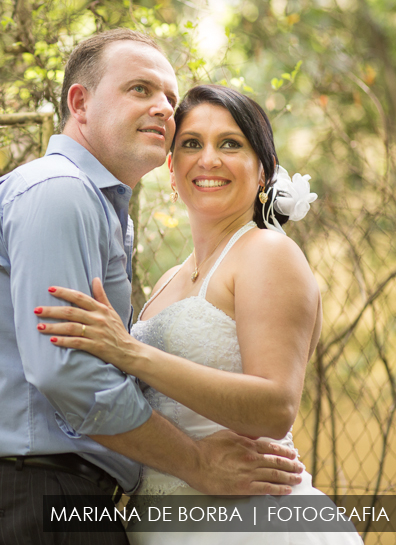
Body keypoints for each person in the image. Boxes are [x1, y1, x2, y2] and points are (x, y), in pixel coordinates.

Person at [0, 31, 305, 545]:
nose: (162, 108)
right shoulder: (61, 193)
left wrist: (131, 354)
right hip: (35, 497)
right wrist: (195, 462)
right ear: (80, 103)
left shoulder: (108, 214)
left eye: (170, 99)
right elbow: (67, 373)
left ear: (265, 170)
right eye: (140, 89)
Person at [34, 84, 363, 543]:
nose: (208, 159)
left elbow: (275, 408)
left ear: (265, 171)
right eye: (191, 144)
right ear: (171, 170)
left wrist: (129, 351)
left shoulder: (267, 252)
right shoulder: (169, 279)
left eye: (230, 144)